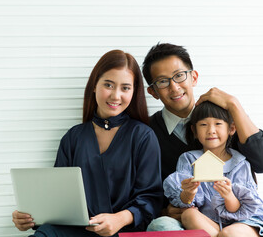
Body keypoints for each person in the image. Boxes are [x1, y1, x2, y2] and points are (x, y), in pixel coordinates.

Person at [142, 43, 263, 236]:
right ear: (153, 92)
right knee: (162, 226)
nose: (174, 87)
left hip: (242, 220)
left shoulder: (222, 117)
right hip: (194, 222)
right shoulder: (147, 133)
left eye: (179, 76)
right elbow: (143, 191)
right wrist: (167, 208)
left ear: (193, 77)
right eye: (163, 81)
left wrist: (233, 105)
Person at [12, 50, 164, 237]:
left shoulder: (143, 136)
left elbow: (151, 198)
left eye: (125, 88)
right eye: (108, 85)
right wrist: (30, 218)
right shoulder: (73, 137)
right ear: (94, 86)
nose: (116, 96)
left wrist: (120, 218)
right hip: (75, 230)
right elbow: (57, 199)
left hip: (122, 232)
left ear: (134, 92)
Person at [164, 101, 263, 236]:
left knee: (229, 233)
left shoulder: (240, 163)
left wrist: (228, 195)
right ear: (194, 130)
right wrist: (188, 193)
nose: (211, 130)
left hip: (244, 221)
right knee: (188, 214)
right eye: (203, 125)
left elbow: (242, 209)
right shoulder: (188, 159)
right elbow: (185, 203)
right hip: (210, 223)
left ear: (231, 129)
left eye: (218, 124)